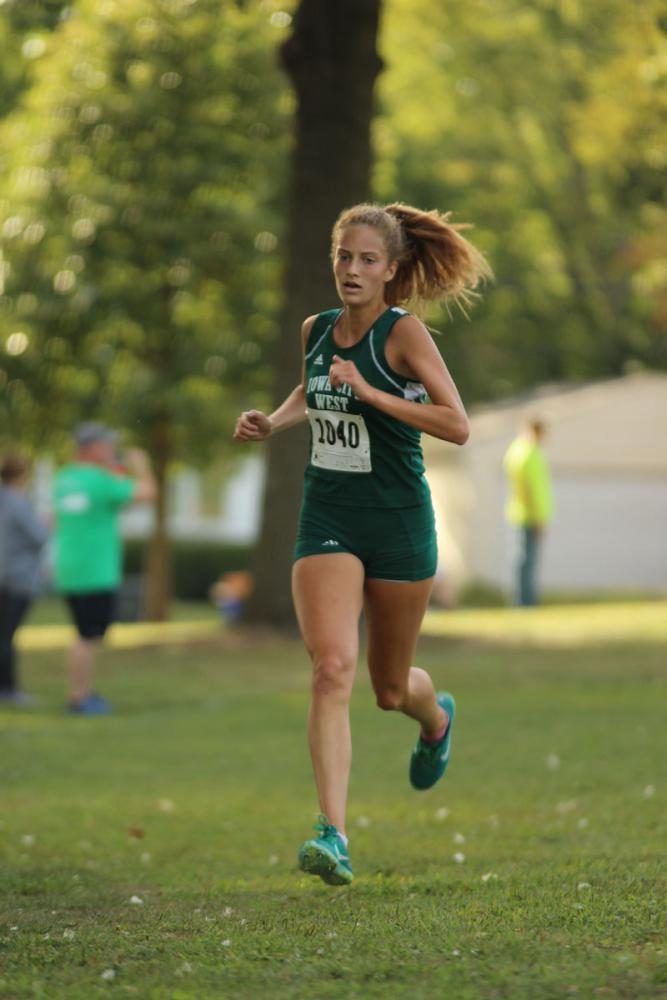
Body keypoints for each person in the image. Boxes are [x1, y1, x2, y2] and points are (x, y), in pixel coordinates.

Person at [234, 202, 491, 885]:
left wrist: (374, 393)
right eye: (343, 257)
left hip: (400, 521)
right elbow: (310, 388)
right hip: (329, 516)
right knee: (330, 669)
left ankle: (433, 718)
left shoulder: (402, 335)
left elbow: (456, 424)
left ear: (391, 270)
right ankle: (333, 834)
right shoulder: (316, 329)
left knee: (385, 689)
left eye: (366, 260)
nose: (351, 270)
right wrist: (275, 421)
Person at [52, 423, 156, 714]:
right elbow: (147, 494)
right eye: (107, 445)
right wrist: (141, 465)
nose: (112, 450)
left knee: (83, 634)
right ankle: (79, 697)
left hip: (69, 569)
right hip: (96, 571)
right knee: (87, 637)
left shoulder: (64, 478)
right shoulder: (99, 481)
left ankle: (81, 693)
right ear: (93, 448)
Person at [0, 453, 50, 705]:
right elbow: (38, 537)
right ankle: (7, 689)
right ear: (22, 475)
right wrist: (48, 523)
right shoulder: (18, 502)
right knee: (7, 635)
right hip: (16, 577)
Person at [503, 418, 554, 607]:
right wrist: (539, 517)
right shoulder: (529, 453)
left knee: (523, 560)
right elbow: (533, 489)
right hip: (529, 516)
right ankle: (524, 603)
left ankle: (523, 601)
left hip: (522, 514)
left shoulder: (517, 451)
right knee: (526, 561)